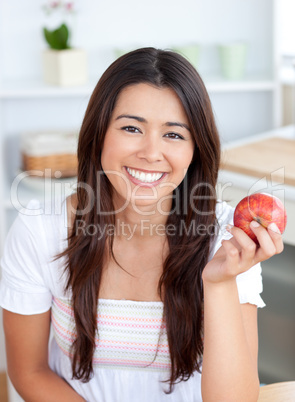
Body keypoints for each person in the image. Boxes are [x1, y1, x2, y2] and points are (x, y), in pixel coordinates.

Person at [0, 47, 284, 402]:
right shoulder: (40, 230)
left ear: (195, 150)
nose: (151, 153)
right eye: (132, 128)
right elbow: (29, 372)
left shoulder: (227, 237)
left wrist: (219, 284)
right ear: (99, 133)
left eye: (174, 134)